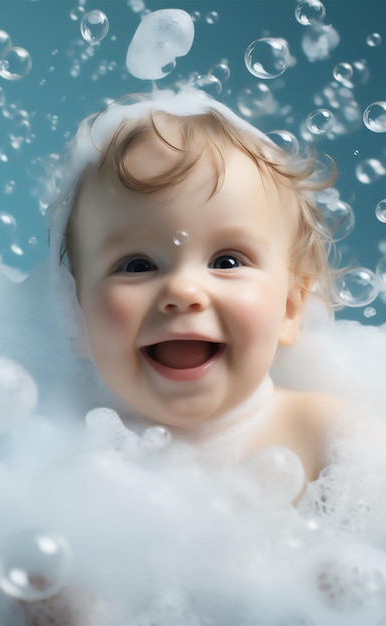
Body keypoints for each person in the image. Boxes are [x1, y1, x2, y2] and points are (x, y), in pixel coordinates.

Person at [47, 87, 345, 484]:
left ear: (290, 308)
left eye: (227, 262)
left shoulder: (326, 437)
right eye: (137, 265)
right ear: (76, 313)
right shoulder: (60, 453)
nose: (183, 292)